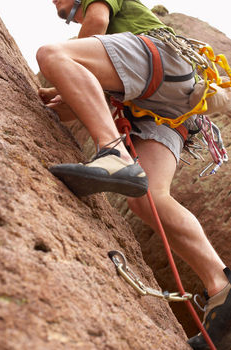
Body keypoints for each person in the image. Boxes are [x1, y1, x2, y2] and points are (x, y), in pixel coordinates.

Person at [36, 1, 231, 348]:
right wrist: (69, 91)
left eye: (61, 4)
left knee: (51, 53)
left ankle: (112, 152)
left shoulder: (100, 6)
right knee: (149, 198)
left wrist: (61, 73)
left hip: (162, 62)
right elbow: (83, 96)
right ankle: (221, 287)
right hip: (171, 106)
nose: (55, 4)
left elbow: (95, 22)